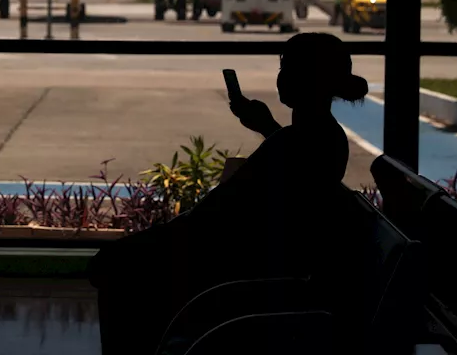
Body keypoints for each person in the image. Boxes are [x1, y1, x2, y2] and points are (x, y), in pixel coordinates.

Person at [88, 32, 370, 355]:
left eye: (287, 66)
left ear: (310, 78)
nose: (280, 76)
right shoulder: (321, 138)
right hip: (244, 256)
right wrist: (266, 126)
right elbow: (291, 165)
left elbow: (220, 213)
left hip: (232, 265)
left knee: (114, 265)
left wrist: (166, 236)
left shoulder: (300, 142)